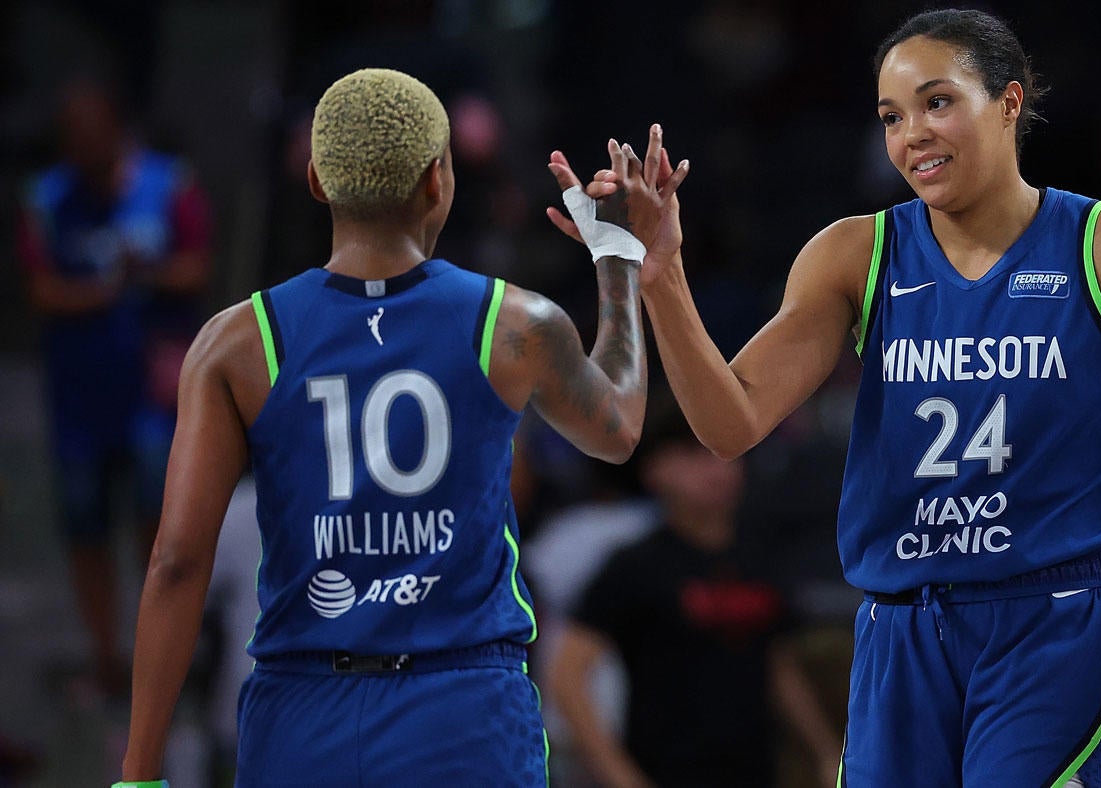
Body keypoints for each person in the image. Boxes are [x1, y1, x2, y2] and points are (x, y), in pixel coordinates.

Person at [556, 9, 1101, 786]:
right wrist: (662, 278)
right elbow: (730, 422)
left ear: (1009, 102)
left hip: (1058, 622)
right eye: (892, 117)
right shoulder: (855, 253)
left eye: (937, 102)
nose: (912, 133)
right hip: (901, 631)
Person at [117, 67, 685, 786]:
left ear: (318, 181)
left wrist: (138, 772)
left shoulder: (237, 341)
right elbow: (619, 427)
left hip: (302, 713)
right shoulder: (514, 322)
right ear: (438, 179)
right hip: (463, 710)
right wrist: (614, 263)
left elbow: (175, 563)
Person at [17, 77, 212, 700]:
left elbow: (197, 266)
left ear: (117, 131)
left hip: (150, 397)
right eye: (72, 138)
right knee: (85, 527)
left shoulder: (169, 185)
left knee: (158, 525)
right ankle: (104, 656)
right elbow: (41, 290)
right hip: (79, 397)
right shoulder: (46, 199)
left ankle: (163, 645)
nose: (84, 146)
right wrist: (108, 290)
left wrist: (147, 274)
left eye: (93, 134)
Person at [546, 394, 842, 788]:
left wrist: (824, 751)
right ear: (654, 469)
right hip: (668, 772)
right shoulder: (635, 565)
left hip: (755, 772)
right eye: (692, 454)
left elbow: (775, 662)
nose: (716, 468)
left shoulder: (759, 555)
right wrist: (620, 777)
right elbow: (567, 674)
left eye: (724, 451)